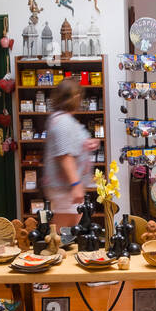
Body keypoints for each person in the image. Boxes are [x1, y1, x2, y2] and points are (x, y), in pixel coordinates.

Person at [43, 76, 100, 228]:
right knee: (63, 233)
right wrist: (76, 184)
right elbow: (65, 155)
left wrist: (86, 143)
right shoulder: (63, 122)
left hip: (67, 187)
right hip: (65, 188)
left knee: (68, 230)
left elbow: (66, 146)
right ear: (74, 97)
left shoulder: (62, 119)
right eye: (79, 96)